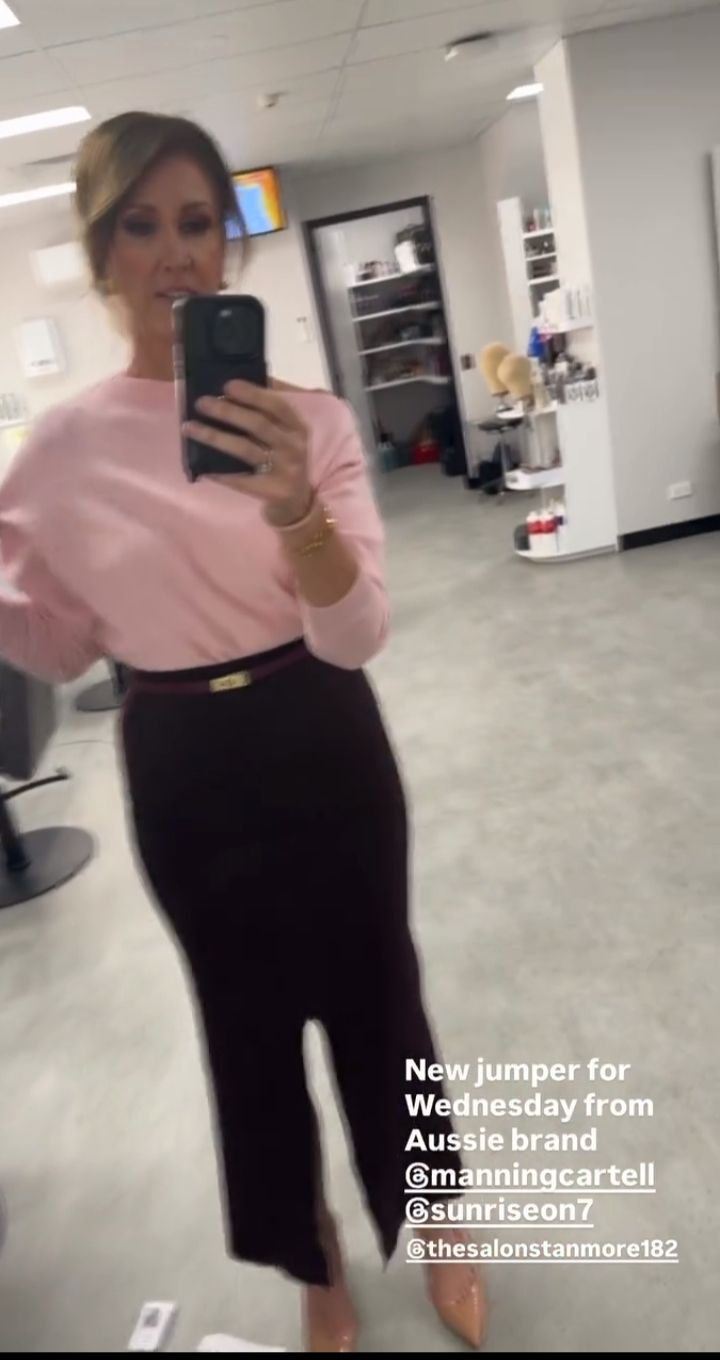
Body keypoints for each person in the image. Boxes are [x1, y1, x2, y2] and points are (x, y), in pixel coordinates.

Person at [0, 112, 485, 1352]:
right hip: (181, 763)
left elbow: (355, 635)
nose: (175, 253)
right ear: (101, 252)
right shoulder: (56, 456)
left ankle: (440, 1218)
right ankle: (312, 1257)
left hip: (321, 731)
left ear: (230, 244)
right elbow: (57, 649)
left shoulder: (309, 422)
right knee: (246, 1028)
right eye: (141, 225)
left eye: (198, 222)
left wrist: (294, 511)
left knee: (382, 994)